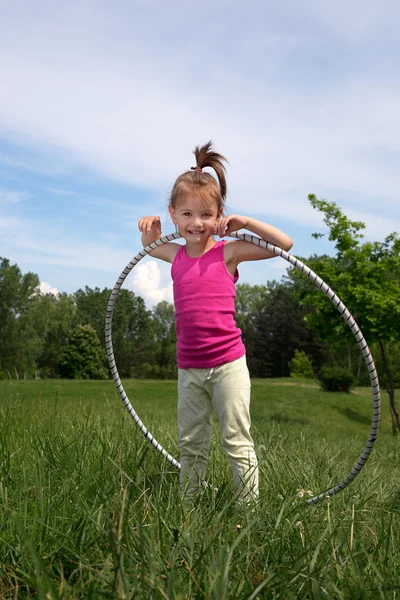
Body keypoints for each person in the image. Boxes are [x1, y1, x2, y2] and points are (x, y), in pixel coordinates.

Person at [138, 141, 293, 503]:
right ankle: (188, 508)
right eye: (187, 214)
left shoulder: (229, 252)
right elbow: (148, 245)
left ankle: (249, 514)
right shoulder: (175, 256)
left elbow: (284, 244)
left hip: (228, 365)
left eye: (206, 215)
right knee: (191, 442)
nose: (197, 223)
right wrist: (148, 231)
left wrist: (246, 224)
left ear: (219, 215)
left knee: (236, 439)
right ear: (174, 214)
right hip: (189, 368)